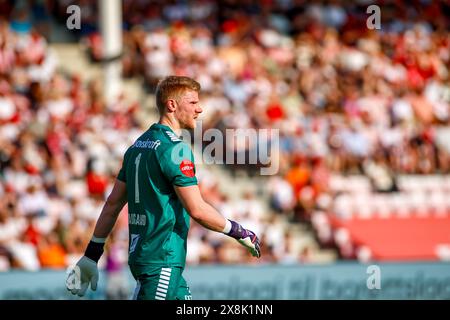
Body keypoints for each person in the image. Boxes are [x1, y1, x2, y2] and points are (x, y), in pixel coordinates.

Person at [65, 76, 261, 300]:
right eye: (193, 103)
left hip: (151, 260)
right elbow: (196, 209)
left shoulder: (137, 145)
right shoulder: (176, 150)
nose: (200, 109)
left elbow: (113, 204)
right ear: (172, 105)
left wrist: (91, 255)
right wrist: (239, 231)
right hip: (162, 261)